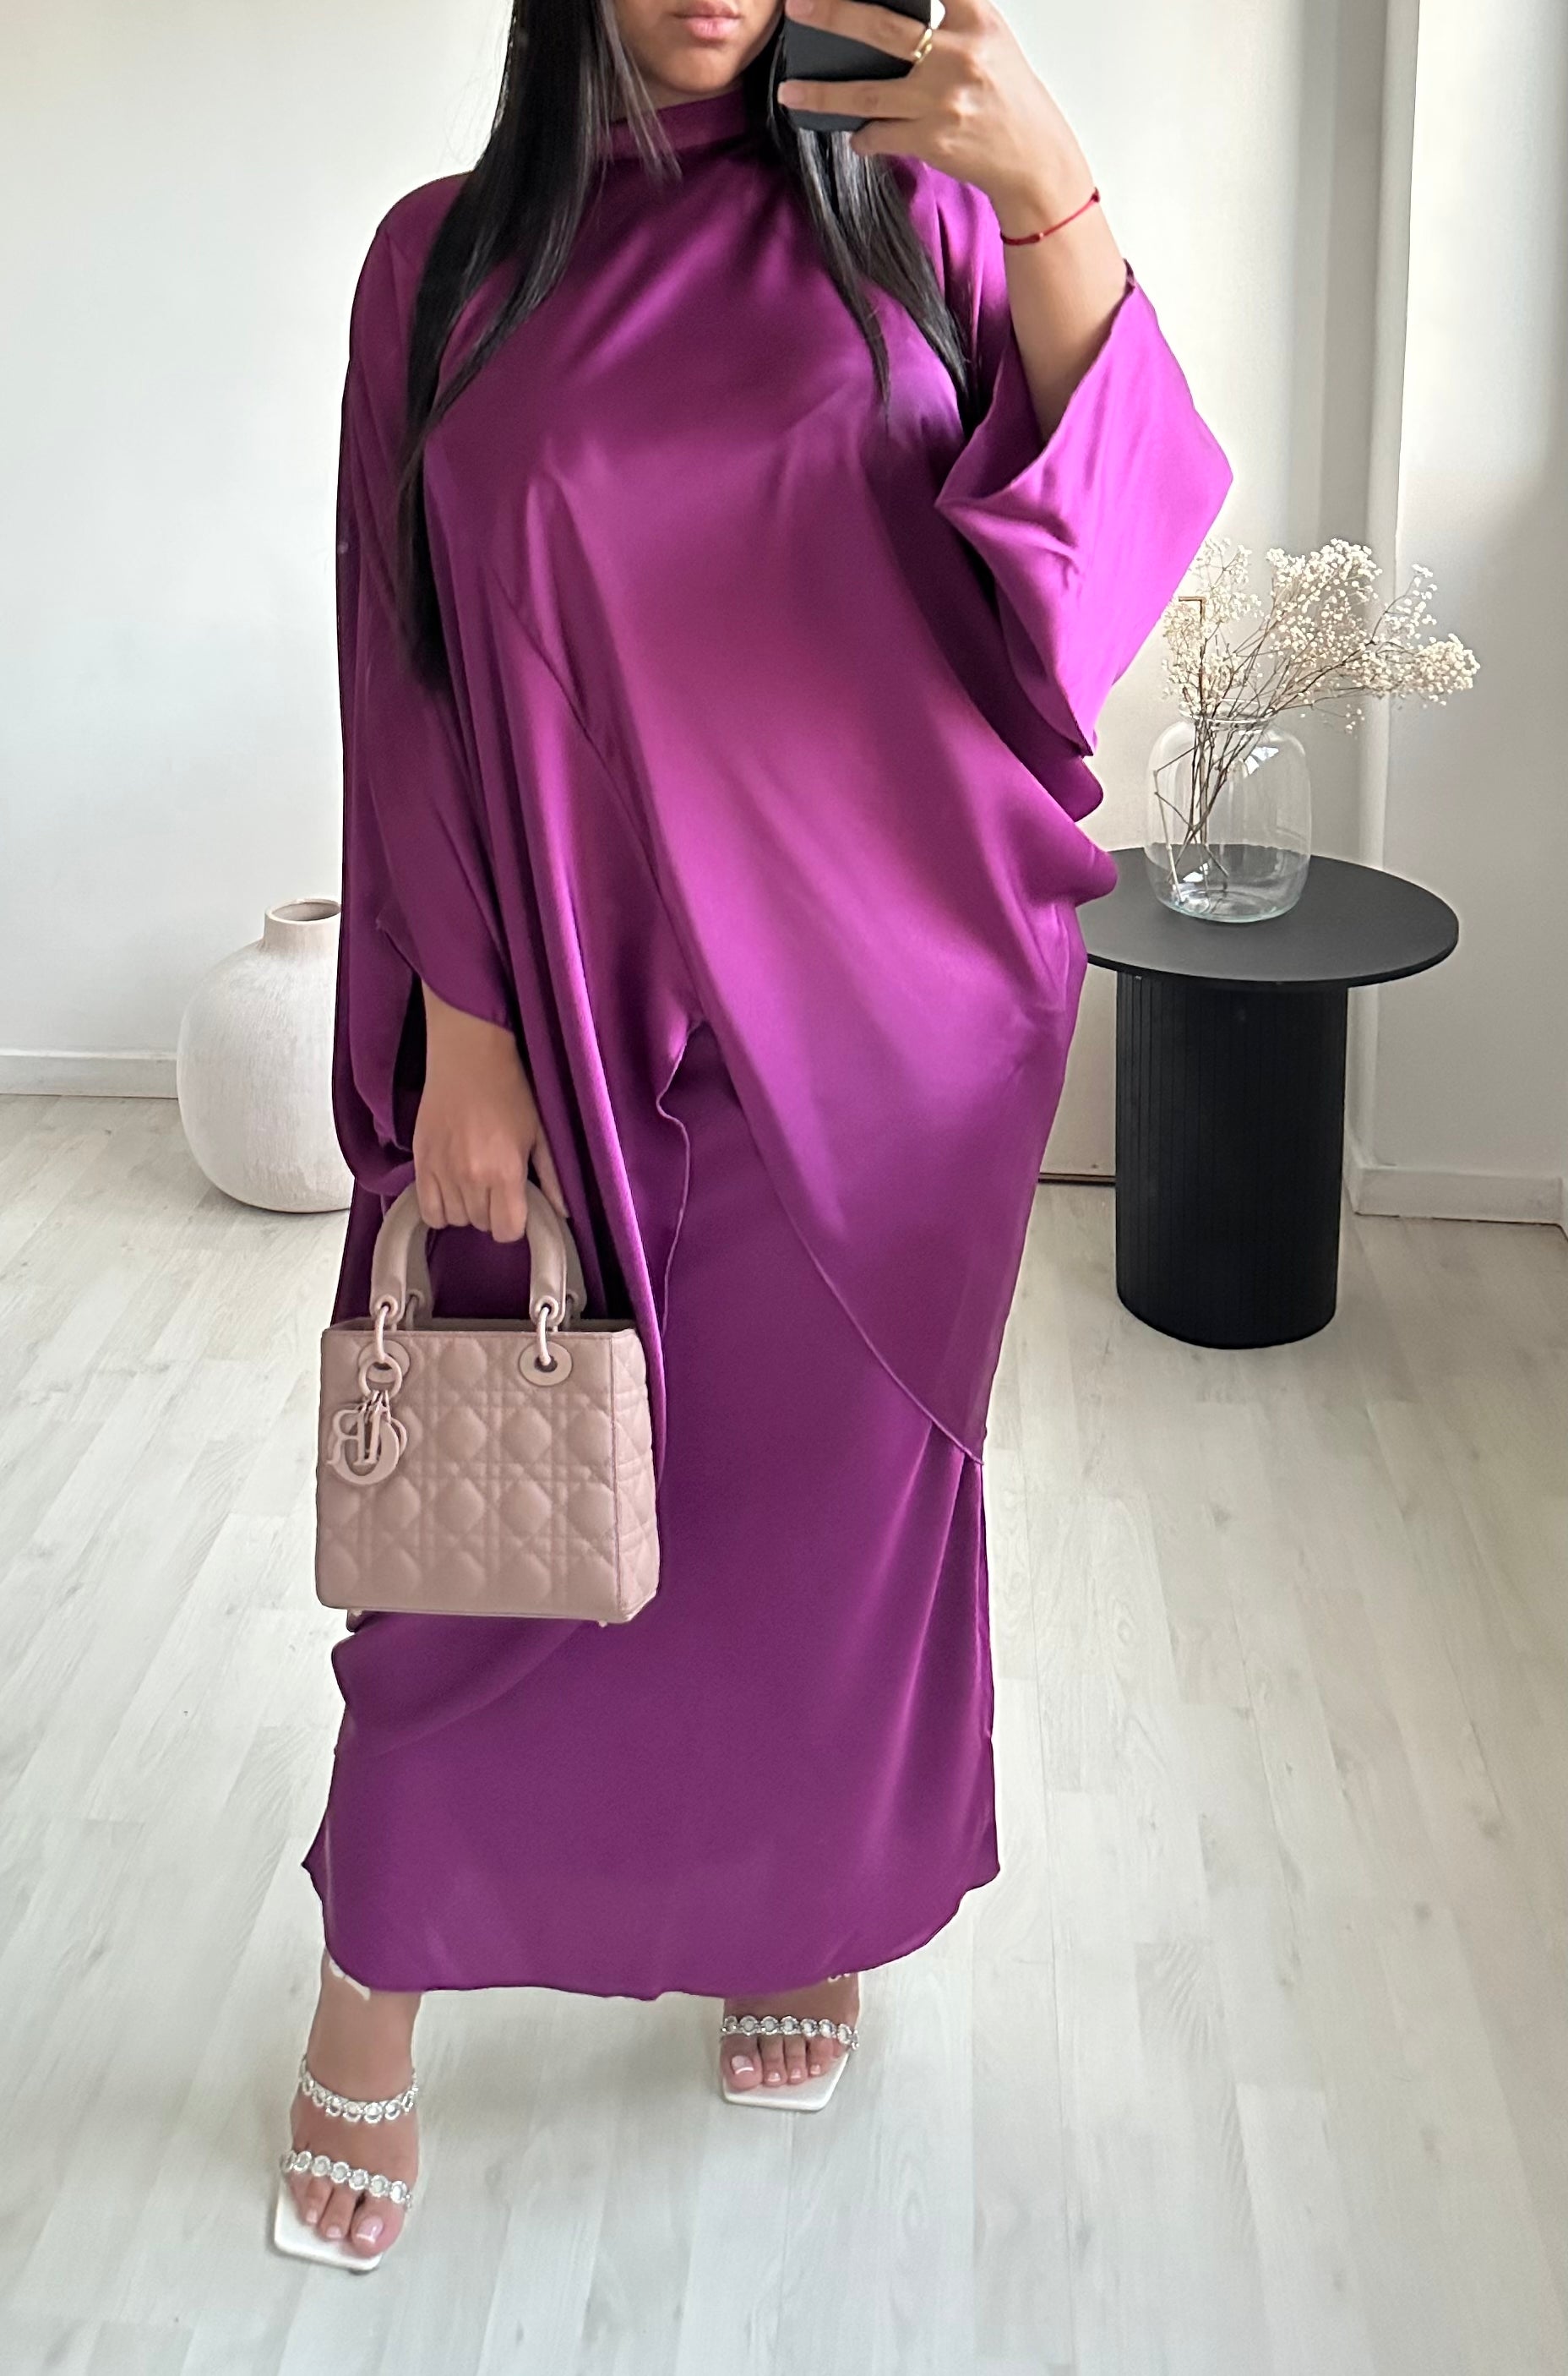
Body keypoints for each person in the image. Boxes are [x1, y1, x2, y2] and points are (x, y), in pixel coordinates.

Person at [276, 0, 1231, 2266]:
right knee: (479, 1550)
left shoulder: (920, 225)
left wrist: (1051, 190)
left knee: (810, 1547)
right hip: (557, 1001)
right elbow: (402, 650)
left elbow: (1086, 584)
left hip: (874, 1034)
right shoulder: (443, 265)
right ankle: (369, 1993)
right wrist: (466, 1015)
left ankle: (793, 1902)